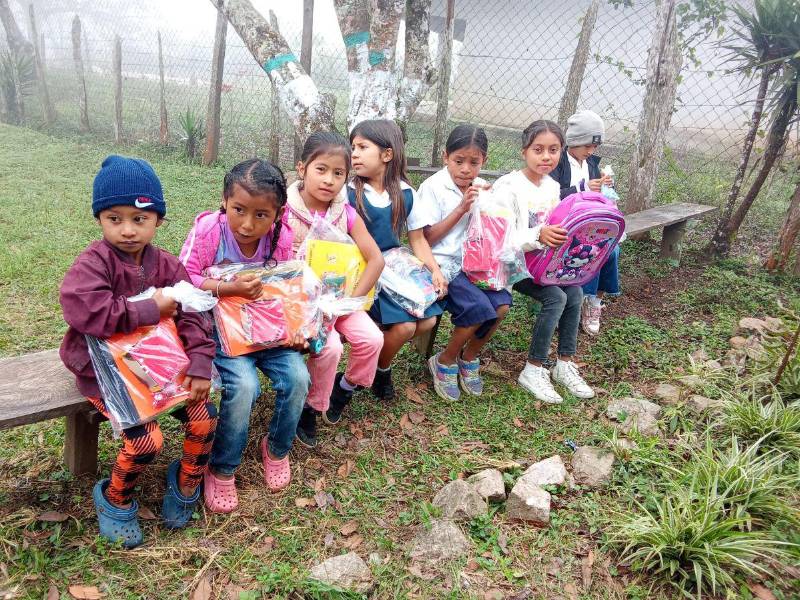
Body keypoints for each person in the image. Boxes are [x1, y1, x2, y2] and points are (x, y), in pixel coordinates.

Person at [60, 155, 217, 548]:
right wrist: (150, 309)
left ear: (158, 220)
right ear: (100, 219)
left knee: (204, 419)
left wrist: (200, 363)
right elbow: (85, 311)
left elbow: (193, 315)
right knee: (146, 441)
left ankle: (186, 481)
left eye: (139, 218)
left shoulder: (167, 265)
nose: (127, 230)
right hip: (105, 373)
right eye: (114, 219)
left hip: (161, 367)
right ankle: (115, 499)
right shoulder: (93, 264)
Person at [179, 158, 309, 510]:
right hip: (224, 334)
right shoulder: (209, 231)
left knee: (298, 377)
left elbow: (286, 285)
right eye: (239, 210)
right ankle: (222, 467)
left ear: (278, 213)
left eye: (261, 215)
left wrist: (297, 327)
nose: (248, 224)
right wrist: (228, 288)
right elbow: (183, 279)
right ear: (224, 200)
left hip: (269, 330)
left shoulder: (282, 237)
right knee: (245, 387)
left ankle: (277, 448)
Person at [284, 131, 384, 446]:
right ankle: (311, 407)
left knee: (372, 339)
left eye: (338, 173)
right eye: (321, 169)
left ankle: (345, 387)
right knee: (330, 348)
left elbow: (376, 260)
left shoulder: (345, 213)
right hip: (300, 304)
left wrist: (351, 301)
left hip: (338, 300)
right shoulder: (284, 211)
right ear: (302, 168)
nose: (329, 180)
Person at [493, 120, 595, 404]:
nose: (546, 157)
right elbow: (499, 239)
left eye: (553, 150)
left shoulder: (552, 186)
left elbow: (556, 226)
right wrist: (538, 235)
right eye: (538, 150)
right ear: (524, 151)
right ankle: (533, 368)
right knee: (556, 298)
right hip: (511, 263)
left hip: (542, 264)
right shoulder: (508, 187)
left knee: (575, 292)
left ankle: (564, 363)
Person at [348, 119, 447, 401]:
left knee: (427, 322)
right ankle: (382, 370)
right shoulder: (349, 191)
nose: (354, 154)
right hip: (365, 272)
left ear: (387, 154)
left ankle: (376, 361)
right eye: (353, 147)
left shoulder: (405, 193)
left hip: (395, 270)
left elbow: (418, 240)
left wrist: (434, 270)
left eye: (363, 147)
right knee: (405, 327)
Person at [415, 124, 510, 401]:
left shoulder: (480, 188)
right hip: (443, 265)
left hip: (476, 264)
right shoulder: (433, 187)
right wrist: (461, 209)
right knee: (477, 309)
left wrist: (491, 204)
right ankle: (444, 360)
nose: (466, 169)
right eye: (458, 161)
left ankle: (469, 356)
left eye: (474, 162)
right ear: (445, 157)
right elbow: (427, 238)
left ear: (484, 161)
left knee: (502, 305)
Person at [548, 110, 620, 336]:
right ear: (574, 141)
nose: (591, 151)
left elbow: (600, 196)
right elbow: (549, 196)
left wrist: (606, 188)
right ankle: (573, 303)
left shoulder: (592, 164)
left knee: (611, 250)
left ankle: (593, 301)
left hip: (590, 223)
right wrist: (583, 188)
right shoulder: (558, 163)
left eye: (595, 146)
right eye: (587, 145)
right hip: (563, 225)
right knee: (590, 249)